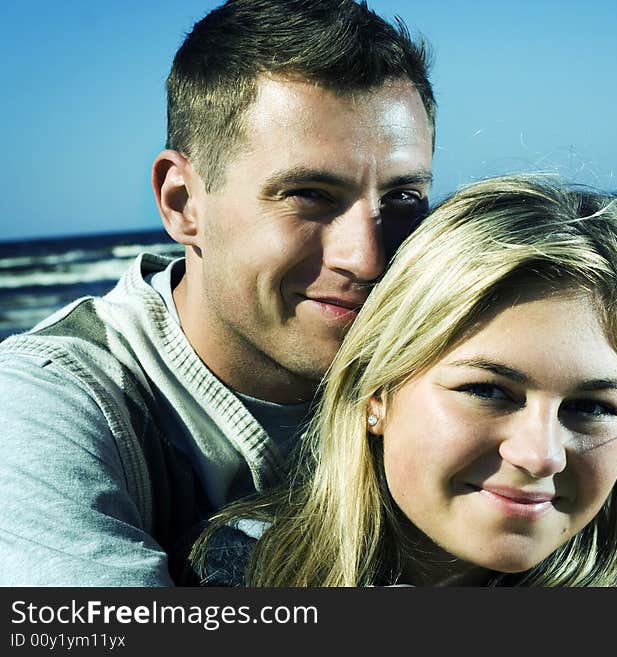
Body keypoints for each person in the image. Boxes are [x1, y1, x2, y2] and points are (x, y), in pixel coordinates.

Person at [0, 0, 435, 586]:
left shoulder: (457, 374)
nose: (367, 257)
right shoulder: (47, 405)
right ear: (182, 203)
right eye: (308, 194)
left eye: (403, 198)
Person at [191, 174, 617, 587]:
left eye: (590, 407)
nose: (540, 455)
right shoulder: (252, 572)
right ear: (376, 391)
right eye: (488, 392)